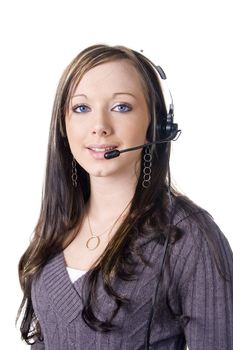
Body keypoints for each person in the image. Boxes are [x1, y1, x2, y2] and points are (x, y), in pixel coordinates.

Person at [17, 44, 233, 350]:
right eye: (81, 108)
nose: (99, 127)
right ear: (63, 124)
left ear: (155, 124)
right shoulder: (57, 227)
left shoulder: (189, 237)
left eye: (121, 107)